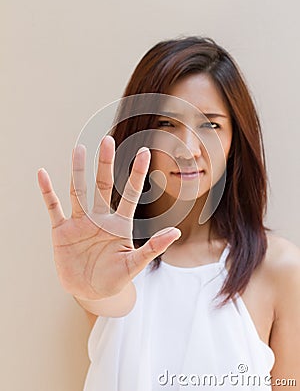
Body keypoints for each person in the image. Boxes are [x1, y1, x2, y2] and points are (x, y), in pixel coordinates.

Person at [37, 37, 300, 390]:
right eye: (166, 124)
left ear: (236, 138)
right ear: (140, 132)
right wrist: (89, 286)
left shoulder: (279, 269)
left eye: (210, 125)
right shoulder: (115, 261)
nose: (188, 149)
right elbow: (110, 296)